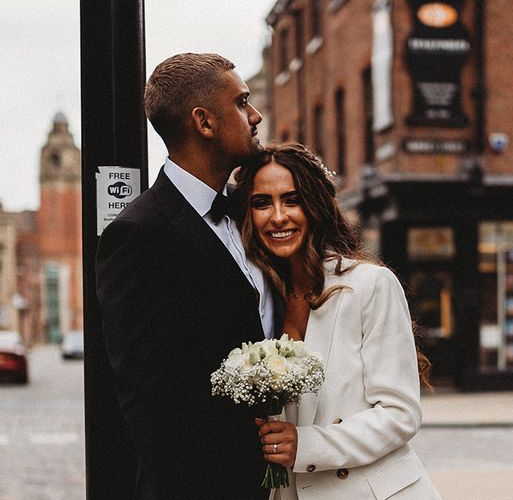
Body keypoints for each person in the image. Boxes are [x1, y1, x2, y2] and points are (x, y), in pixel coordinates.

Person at [96, 53, 282, 499]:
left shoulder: (253, 209)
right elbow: (149, 406)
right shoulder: (138, 236)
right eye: (242, 103)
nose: (256, 116)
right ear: (204, 121)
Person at [235, 142, 441, 499]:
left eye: (292, 199)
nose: (278, 216)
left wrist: (307, 445)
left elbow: (399, 413)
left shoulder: (369, 285)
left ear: (314, 206)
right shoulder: (262, 299)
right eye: (262, 203)